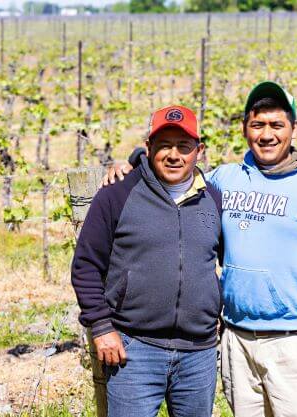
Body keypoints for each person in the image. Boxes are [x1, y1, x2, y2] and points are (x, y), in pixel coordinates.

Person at [106, 81, 297, 417]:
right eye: (258, 125)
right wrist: (137, 161)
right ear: (244, 129)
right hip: (236, 339)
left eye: (277, 125)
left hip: (295, 340)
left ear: (294, 128)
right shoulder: (225, 179)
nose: (267, 135)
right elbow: (177, 173)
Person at [72, 105, 224, 417]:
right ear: (148, 147)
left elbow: (231, 262)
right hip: (133, 349)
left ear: (200, 150)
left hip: (199, 353)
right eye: (164, 145)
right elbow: (86, 264)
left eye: (183, 146)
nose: (174, 155)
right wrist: (101, 326)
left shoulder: (214, 198)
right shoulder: (117, 194)